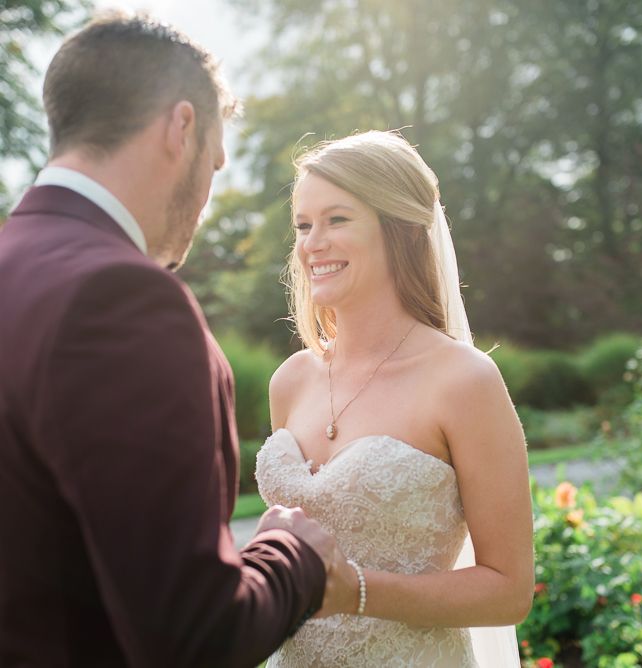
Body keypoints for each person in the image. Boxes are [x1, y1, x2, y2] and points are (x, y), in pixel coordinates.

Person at [0, 14, 358, 668]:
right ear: (181, 127)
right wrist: (289, 550)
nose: (206, 195)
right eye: (216, 162)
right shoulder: (120, 297)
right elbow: (194, 637)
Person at [255, 130, 535, 667]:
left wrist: (355, 591)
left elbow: (509, 590)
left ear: (399, 231)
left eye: (337, 220)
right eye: (303, 224)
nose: (313, 243)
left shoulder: (464, 382)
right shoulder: (290, 381)